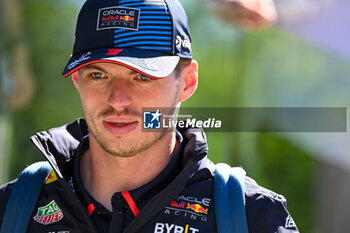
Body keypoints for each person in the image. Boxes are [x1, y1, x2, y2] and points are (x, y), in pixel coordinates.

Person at [0, 0, 298, 232]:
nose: (118, 100)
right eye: (98, 74)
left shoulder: (253, 215)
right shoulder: (13, 208)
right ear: (78, 79)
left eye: (142, 77)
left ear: (188, 81)